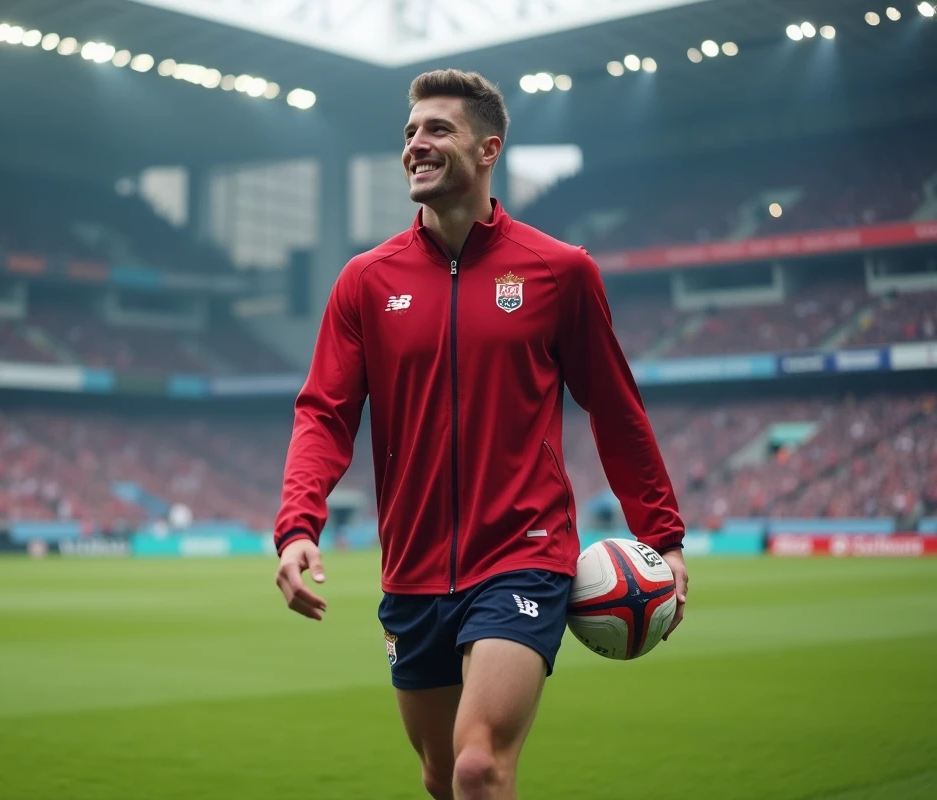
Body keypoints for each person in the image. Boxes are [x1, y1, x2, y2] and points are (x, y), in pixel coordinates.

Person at [273, 69, 688, 800]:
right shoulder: (364, 282)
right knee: (440, 776)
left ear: (488, 148)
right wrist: (297, 523)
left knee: (479, 765)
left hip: (524, 556)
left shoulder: (561, 271)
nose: (416, 145)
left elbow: (615, 408)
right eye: (409, 133)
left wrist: (666, 537)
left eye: (437, 130)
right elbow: (324, 413)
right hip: (411, 570)